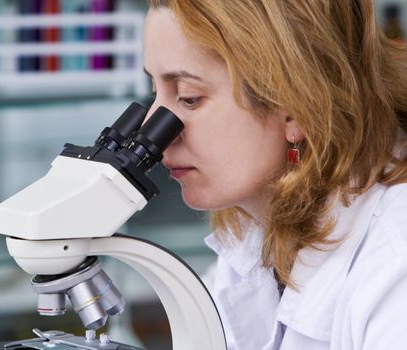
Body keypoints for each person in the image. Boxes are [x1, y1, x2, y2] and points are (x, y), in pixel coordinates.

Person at [143, 0, 407, 349]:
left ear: (297, 106)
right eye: (154, 92)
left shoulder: (395, 260)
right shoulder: (252, 230)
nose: (150, 128)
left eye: (189, 98)